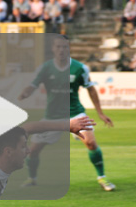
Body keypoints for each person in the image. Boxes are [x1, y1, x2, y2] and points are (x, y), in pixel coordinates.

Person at [18, 36, 116, 191]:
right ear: (53, 49)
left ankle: (102, 177)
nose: (61, 50)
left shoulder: (79, 68)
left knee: (91, 143)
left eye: (65, 47)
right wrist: (24, 93)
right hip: (52, 117)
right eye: (58, 47)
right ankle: (32, 178)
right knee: (34, 149)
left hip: (75, 113)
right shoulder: (45, 68)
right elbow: (33, 85)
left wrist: (100, 113)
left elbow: (90, 88)